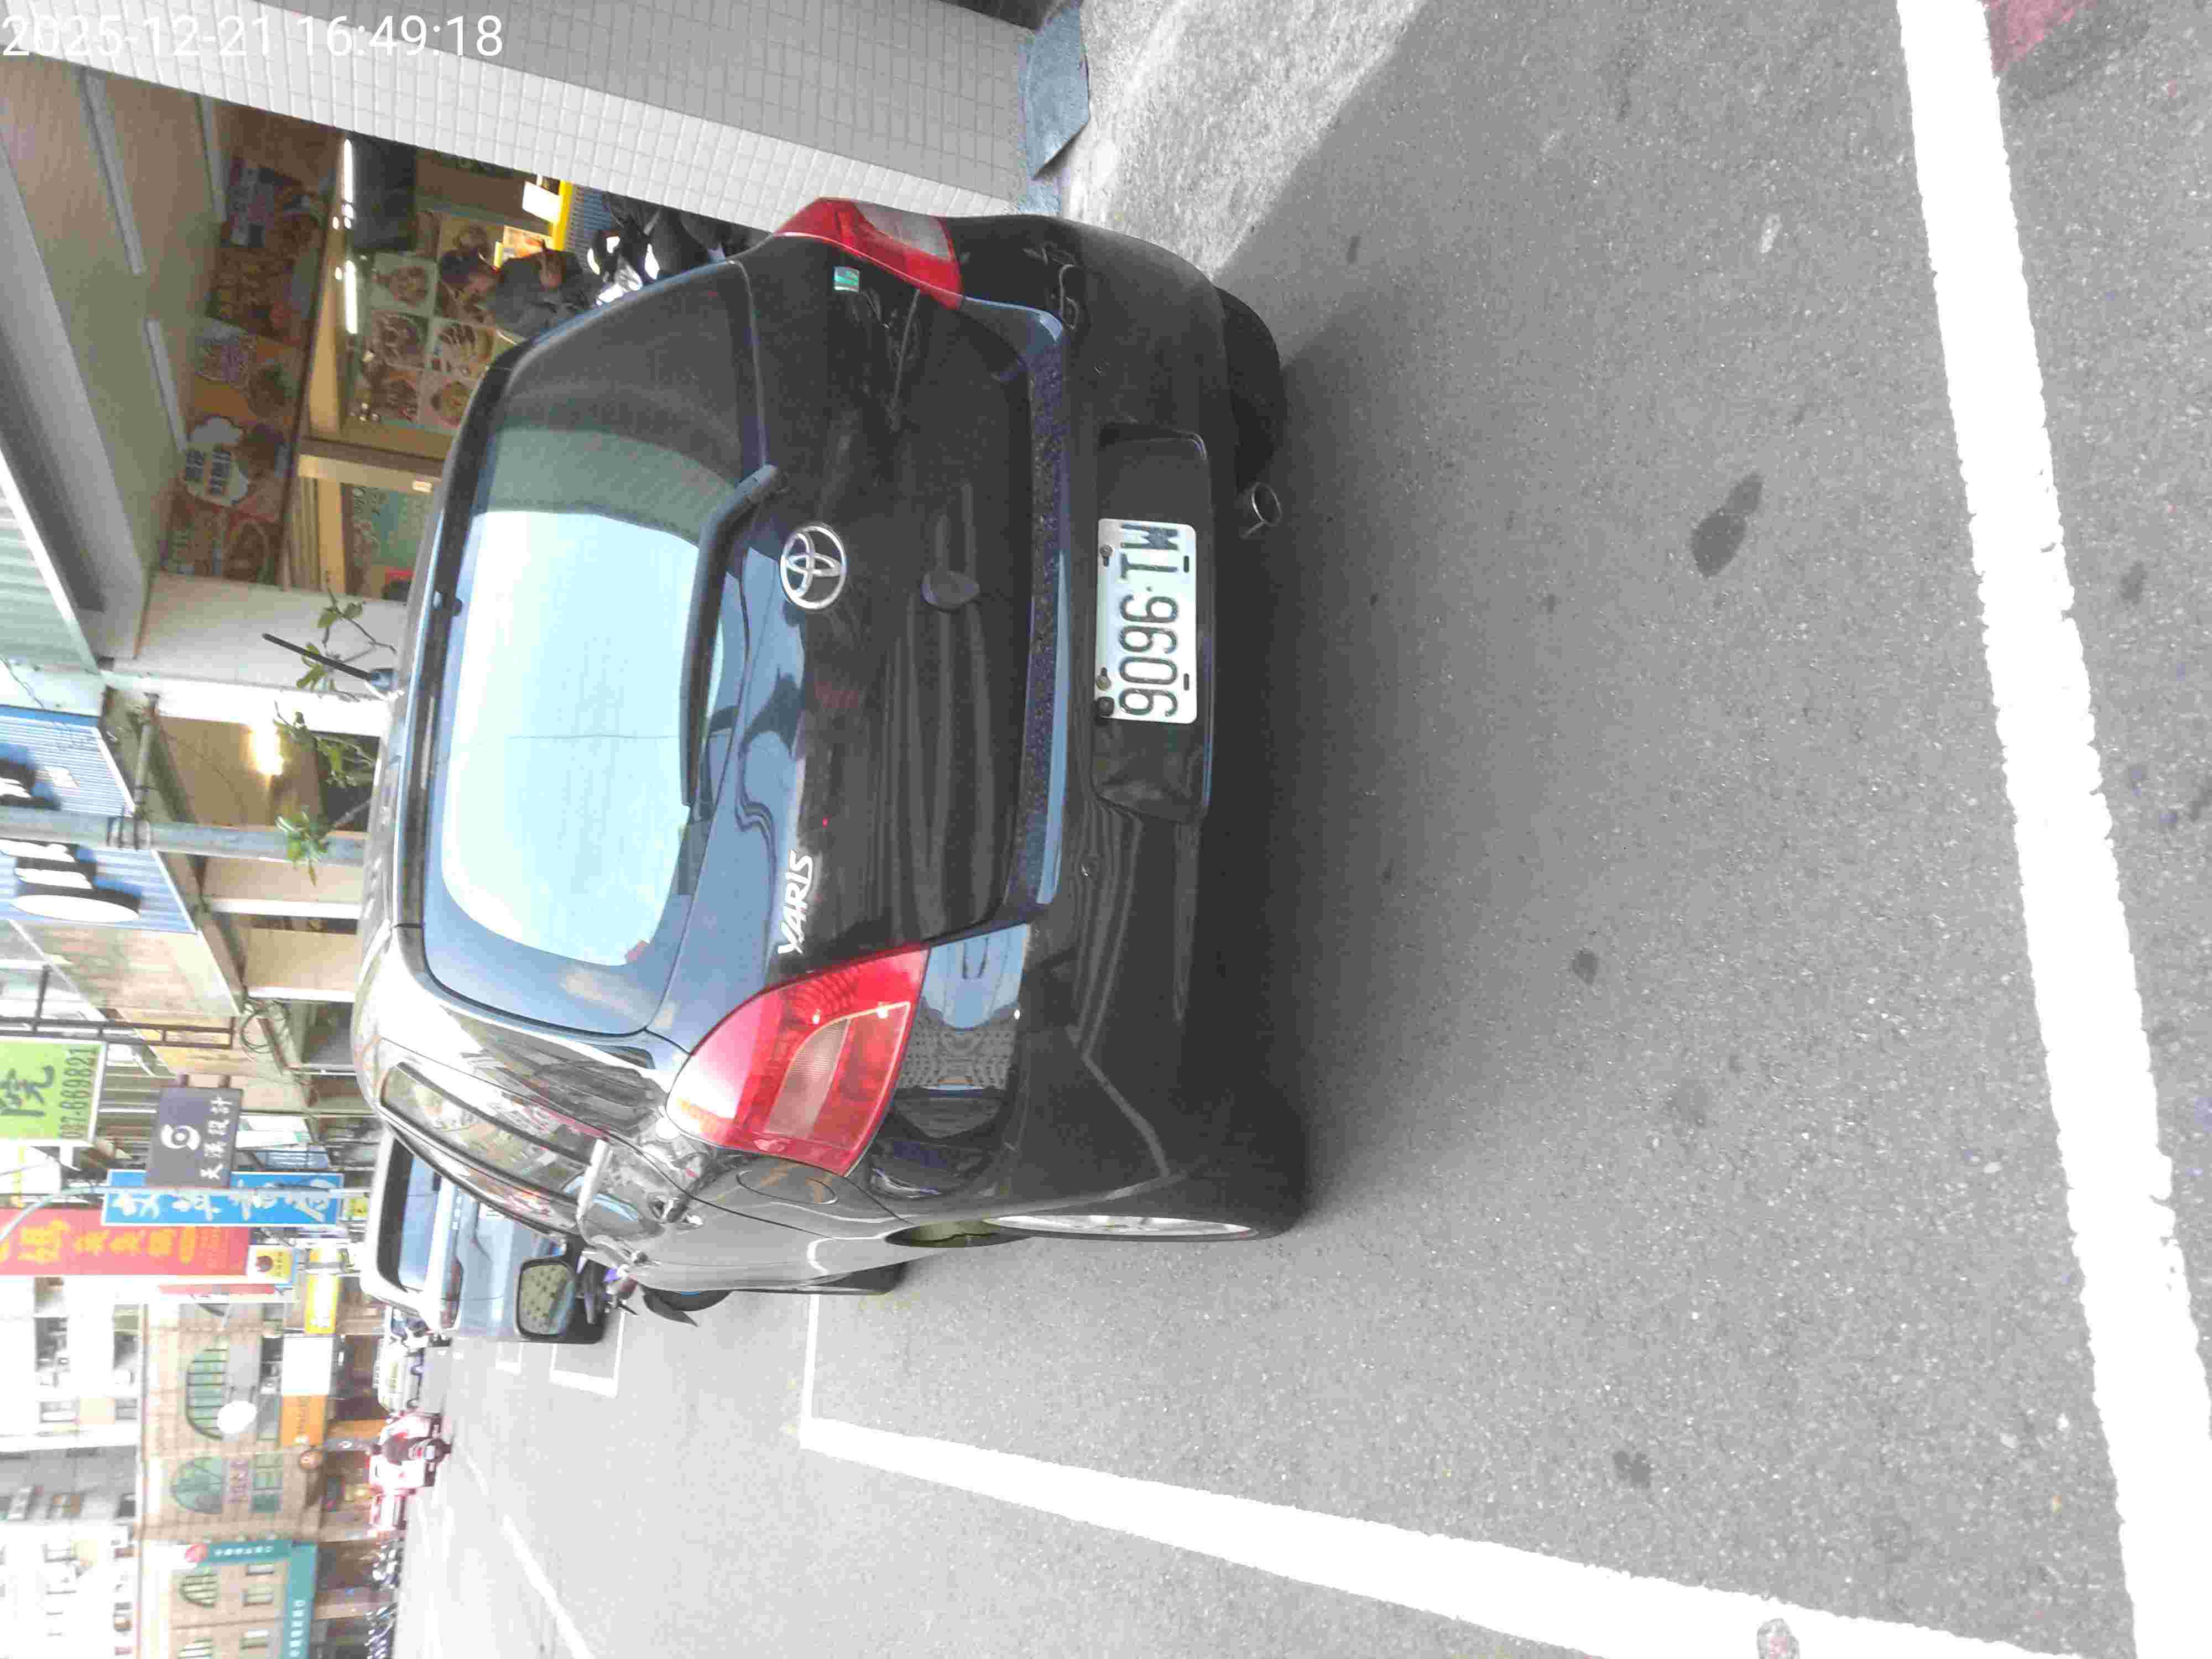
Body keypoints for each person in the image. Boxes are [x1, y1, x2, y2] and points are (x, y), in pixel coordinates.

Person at [441, 247, 597, 342]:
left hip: (598, 286)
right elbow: (559, 333)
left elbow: (573, 262)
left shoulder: (512, 267)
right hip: (595, 320)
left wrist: (555, 259)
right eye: (478, 270)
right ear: (471, 289)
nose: (486, 266)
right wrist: (553, 290)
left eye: (481, 260)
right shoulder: (503, 315)